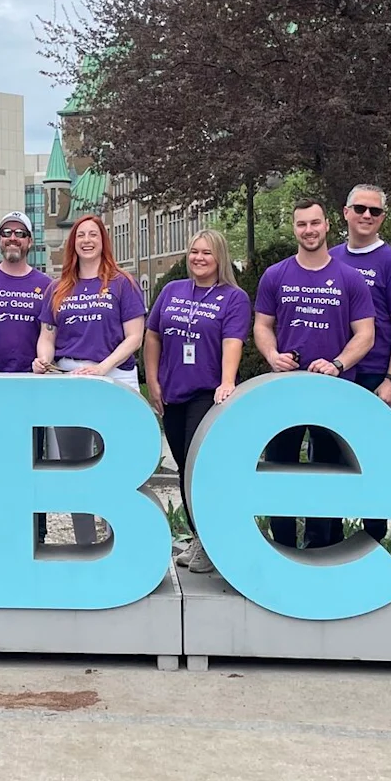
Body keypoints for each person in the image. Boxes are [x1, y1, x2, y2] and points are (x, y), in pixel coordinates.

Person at [253, 200, 375, 550]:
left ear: (327, 225)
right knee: (280, 468)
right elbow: (262, 325)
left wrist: (338, 363)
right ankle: (283, 546)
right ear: (294, 228)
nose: (309, 230)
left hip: (333, 392)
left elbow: (366, 334)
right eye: (302, 224)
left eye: (315, 223)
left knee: (329, 472)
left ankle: (322, 548)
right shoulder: (275, 275)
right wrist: (272, 355)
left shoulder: (349, 278)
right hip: (285, 390)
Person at [35, 213, 147, 547]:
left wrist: (102, 367)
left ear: (103, 241)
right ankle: (85, 543)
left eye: (93, 235)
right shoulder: (58, 288)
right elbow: (47, 335)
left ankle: (120, 540)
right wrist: (44, 359)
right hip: (70, 379)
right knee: (76, 465)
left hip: (115, 377)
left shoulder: (122, 283)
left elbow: (135, 337)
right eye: (81, 235)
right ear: (73, 243)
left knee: (121, 464)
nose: (87, 240)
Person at [144, 228, 249, 574]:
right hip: (173, 392)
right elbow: (153, 336)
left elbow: (233, 341)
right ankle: (198, 535)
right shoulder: (172, 291)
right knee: (183, 469)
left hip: (207, 394)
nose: (199, 258)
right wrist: (153, 382)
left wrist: (227, 381)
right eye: (194, 252)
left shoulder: (233, 298)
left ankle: (210, 540)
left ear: (220, 257)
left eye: (207, 252)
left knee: (199, 469)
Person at [330, 182, 391, 545]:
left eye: (375, 211)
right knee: (331, 457)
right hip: (336, 374)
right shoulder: (330, 257)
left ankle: (372, 536)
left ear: (382, 217)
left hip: (374, 373)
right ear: (346, 213)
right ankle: (329, 535)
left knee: (371, 456)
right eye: (360, 209)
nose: (367, 216)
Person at [0, 212, 56, 545]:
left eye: (20, 233)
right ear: (0, 240)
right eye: (6, 233)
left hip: (32, 390)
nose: (12, 238)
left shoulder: (46, 286)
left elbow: (50, 336)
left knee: (33, 465)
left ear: (29, 242)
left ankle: (36, 536)